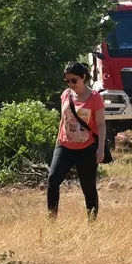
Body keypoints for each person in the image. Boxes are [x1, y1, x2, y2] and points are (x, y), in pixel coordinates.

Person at [48, 61, 106, 220]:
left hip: (86, 148)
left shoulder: (95, 98)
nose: (71, 84)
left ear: (84, 77)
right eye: (67, 81)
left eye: (74, 80)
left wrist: (100, 148)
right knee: (52, 180)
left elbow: (101, 124)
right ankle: (51, 220)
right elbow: (63, 119)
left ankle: (92, 223)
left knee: (88, 187)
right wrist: (57, 143)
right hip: (65, 145)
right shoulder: (66, 95)